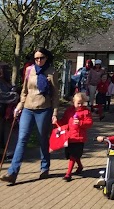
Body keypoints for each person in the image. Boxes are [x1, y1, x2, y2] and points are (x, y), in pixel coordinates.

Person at [1, 47, 58, 185]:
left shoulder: (52, 72)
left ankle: (45, 167)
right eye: (36, 58)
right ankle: (13, 173)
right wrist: (19, 105)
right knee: (22, 139)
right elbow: (24, 91)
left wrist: (55, 113)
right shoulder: (29, 70)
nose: (39, 60)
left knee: (42, 139)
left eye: (42, 58)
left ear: (46, 58)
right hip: (27, 108)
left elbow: (55, 95)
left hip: (44, 109)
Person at [57, 92, 93, 181]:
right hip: (69, 137)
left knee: (73, 155)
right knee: (70, 154)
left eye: (82, 103)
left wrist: (81, 123)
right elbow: (64, 121)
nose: (80, 105)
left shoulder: (86, 112)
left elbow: (89, 123)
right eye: (78, 103)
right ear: (73, 102)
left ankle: (68, 174)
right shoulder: (69, 111)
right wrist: (56, 123)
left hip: (79, 138)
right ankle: (80, 166)